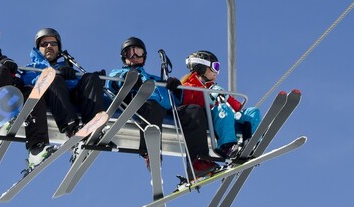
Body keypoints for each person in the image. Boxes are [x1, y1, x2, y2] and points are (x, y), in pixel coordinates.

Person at [109, 38, 212, 177]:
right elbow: (112, 84)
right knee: (152, 106)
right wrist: (129, 79)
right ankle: (151, 152)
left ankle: (198, 162)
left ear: (144, 56)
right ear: (124, 56)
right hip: (141, 104)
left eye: (138, 52)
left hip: (167, 108)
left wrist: (175, 88)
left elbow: (176, 100)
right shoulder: (117, 73)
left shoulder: (155, 79)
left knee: (193, 110)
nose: (134, 56)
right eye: (129, 53)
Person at [20, 28, 105, 169]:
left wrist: (93, 83)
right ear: (38, 48)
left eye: (53, 43)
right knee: (53, 79)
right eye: (44, 44)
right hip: (50, 99)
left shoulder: (65, 65)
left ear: (58, 48)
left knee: (91, 78)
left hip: (68, 98)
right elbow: (31, 84)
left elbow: (77, 86)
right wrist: (56, 74)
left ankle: (92, 128)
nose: (49, 46)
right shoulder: (32, 67)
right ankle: (72, 131)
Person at [180, 50, 262, 159]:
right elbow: (190, 103)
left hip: (226, 117)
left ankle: (251, 143)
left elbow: (237, 107)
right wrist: (209, 97)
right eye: (215, 67)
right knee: (223, 108)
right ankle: (227, 146)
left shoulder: (213, 87)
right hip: (209, 118)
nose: (217, 71)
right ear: (202, 67)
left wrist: (225, 96)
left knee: (252, 111)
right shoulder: (187, 86)